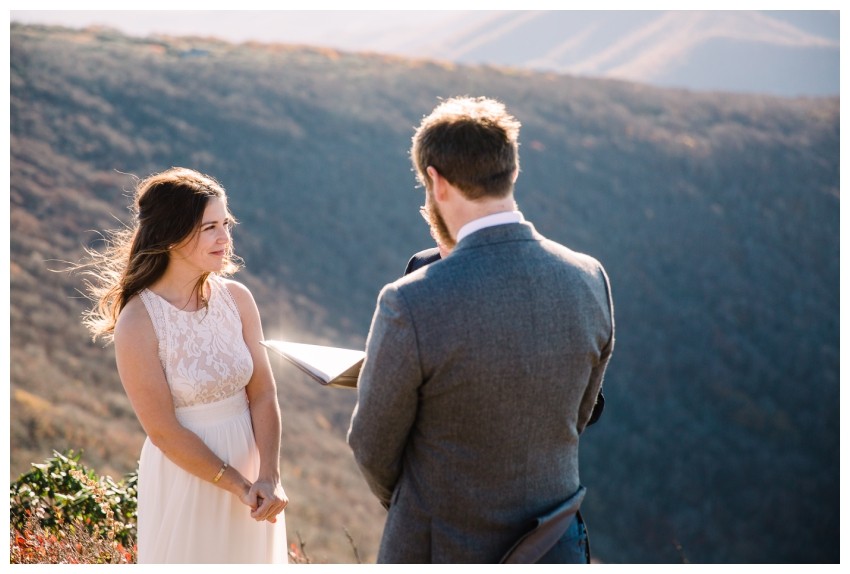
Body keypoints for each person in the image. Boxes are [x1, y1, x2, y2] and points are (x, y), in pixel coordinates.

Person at [348, 96, 614, 563]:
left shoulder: (410, 300)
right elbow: (579, 413)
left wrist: (420, 505)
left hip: (441, 547)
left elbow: (371, 446)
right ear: (510, 170)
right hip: (554, 544)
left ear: (436, 181)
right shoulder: (589, 277)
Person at [80, 167, 289, 563]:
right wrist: (237, 485)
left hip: (255, 471)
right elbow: (163, 431)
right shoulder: (139, 320)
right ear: (173, 234)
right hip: (189, 476)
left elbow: (263, 392)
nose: (225, 238)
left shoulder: (238, 298)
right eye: (210, 227)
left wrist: (268, 476)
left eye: (226, 223)